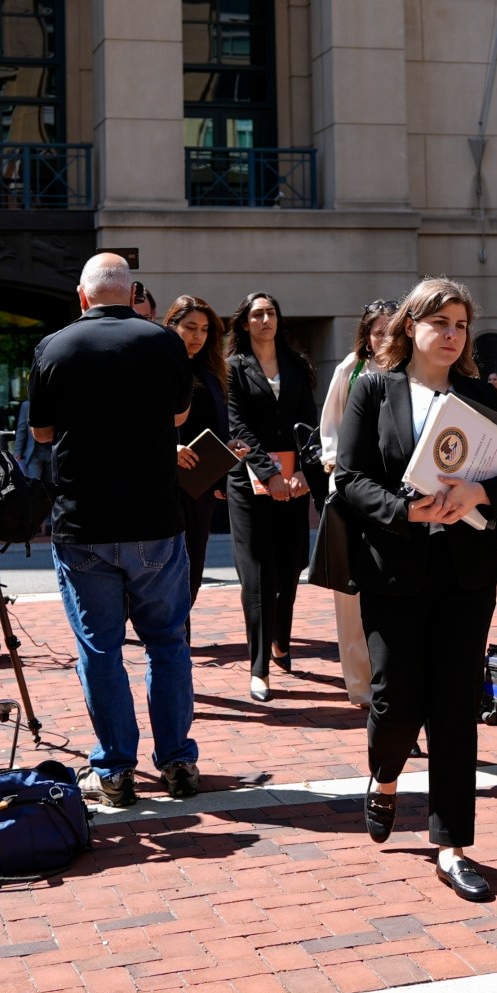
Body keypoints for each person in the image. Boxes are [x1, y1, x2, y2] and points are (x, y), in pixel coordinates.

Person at [332, 279, 497, 904]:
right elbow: (348, 480)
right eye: (440, 323)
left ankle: (453, 846)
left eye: (461, 325)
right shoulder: (374, 388)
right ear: (411, 326)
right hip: (394, 574)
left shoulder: (478, 394)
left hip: (466, 575)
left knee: (454, 708)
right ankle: (385, 776)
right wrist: (407, 512)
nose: (452, 335)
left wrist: (480, 494)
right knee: (395, 701)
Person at [29, 252, 200, 807]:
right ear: (130, 294)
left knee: (100, 650)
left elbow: (41, 433)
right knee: (167, 643)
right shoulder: (164, 342)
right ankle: (177, 763)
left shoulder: (54, 347)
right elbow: (177, 417)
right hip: (155, 519)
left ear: (82, 297)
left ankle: (115, 772)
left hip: (84, 522)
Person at [225, 291, 317, 704]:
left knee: (291, 566)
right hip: (250, 486)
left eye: (271, 312)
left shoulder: (297, 366)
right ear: (245, 323)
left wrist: (301, 473)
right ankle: (258, 668)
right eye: (257, 314)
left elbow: (310, 425)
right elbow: (238, 427)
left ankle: (282, 638)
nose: (265, 319)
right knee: (258, 577)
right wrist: (270, 474)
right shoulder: (233, 369)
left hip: (294, 485)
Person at [318, 300, 398, 709]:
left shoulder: (412, 369)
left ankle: (392, 676)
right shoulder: (351, 369)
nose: (383, 338)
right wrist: (336, 462)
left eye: (391, 329)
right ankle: (360, 685)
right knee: (349, 596)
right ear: (365, 334)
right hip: (352, 495)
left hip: (397, 500)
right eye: (376, 330)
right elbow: (329, 427)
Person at [165, 295, 230, 611]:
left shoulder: (212, 371)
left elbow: (218, 426)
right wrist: (168, 446)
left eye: (204, 329)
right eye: (190, 327)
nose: (197, 336)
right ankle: (174, 644)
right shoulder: (159, 367)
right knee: (167, 570)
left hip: (201, 484)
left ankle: (178, 641)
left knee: (193, 569)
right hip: (164, 482)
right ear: (171, 326)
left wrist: (229, 451)